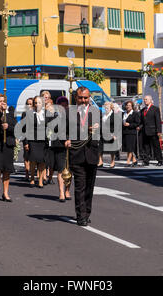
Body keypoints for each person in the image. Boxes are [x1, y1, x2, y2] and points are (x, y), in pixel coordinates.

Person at [65, 87, 101, 227]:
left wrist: (100, 153)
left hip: (92, 153)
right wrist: (65, 140)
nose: (84, 100)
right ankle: (81, 216)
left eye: (86, 98)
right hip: (77, 153)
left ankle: (87, 212)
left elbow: (102, 133)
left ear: (89, 97)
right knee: (80, 186)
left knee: (89, 187)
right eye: (81, 98)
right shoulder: (69, 112)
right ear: (76, 98)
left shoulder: (96, 111)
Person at [0, 94, 17, 202]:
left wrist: (8, 127)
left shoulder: (10, 113)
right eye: (0, 101)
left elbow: (15, 127)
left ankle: (5, 192)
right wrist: (2, 112)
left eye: (3, 101)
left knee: (7, 169)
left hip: (8, 143)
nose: (2, 103)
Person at [46, 97, 70, 202]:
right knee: (61, 169)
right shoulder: (53, 116)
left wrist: (70, 139)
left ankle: (67, 190)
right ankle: (61, 192)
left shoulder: (72, 115)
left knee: (69, 170)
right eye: (61, 105)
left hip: (71, 145)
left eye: (65, 105)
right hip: (59, 145)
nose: (63, 107)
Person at [24, 96, 47, 188]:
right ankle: (32, 178)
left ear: (42, 104)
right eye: (36, 103)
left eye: (39, 103)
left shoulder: (47, 114)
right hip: (32, 140)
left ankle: (40, 180)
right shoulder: (29, 114)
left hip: (43, 140)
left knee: (42, 161)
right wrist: (26, 142)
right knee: (33, 160)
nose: (37, 104)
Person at [138, 95, 163, 166]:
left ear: (150, 100)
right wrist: (140, 127)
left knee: (156, 147)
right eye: (144, 99)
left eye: (146, 99)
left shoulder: (155, 109)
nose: (144, 101)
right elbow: (142, 122)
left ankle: (159, 160)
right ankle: (146, 161)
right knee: (146, 147)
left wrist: (159, 131)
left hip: (153, 131)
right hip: (145, 131)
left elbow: (158, 120)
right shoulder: (143, 110)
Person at [98, 102, 118, 169]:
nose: (106, 109)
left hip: (111, 134)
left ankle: (112, 162)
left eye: (107, 107)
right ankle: (100, 162)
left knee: (111, 149)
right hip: (102, 134)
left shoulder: (114, 115)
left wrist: (115, 135)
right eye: (105, 107)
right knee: (100, 149)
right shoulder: (104, 115)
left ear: (111, 108)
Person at [122, 101, 140, 167]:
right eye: (127, 105)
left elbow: (137, 123)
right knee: (128, 148)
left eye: (129, 105)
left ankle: (128, 162)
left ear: (132, 106)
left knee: (130, 148)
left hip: (131, 133)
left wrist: (129, 124)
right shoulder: (124, 113)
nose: (128, 106)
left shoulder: (135, 113)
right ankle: (134, 160)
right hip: (125, 132)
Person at [21, 98, 34, 182]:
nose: (29, 105)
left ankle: (32, 174)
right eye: (28, 104)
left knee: (33, 156)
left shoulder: (36, 114)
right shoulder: (24, 114)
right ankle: (27, 174)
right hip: (26, 136)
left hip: (34, 138)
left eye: (31, 104)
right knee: (26, 156)